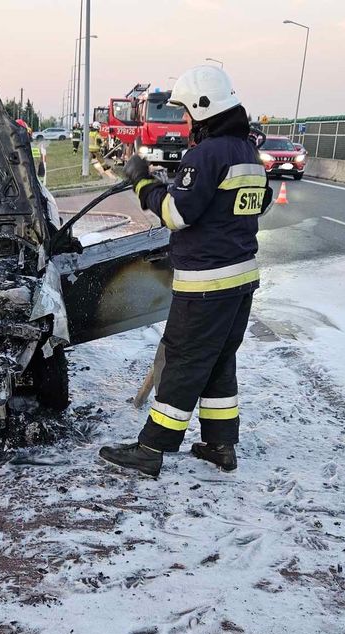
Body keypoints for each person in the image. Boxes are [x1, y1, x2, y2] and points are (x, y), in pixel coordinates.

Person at [98, 65, 272, 477]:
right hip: (241, 282)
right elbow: (253, 204)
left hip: (207, 285)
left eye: (188, 113)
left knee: (182, 362)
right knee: (217, 362)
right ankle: (220, 445)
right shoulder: (246, 152)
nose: (186, 122)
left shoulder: (207, 154)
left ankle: (150, 449)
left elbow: (177, 213)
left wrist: (144, 184)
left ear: (203, 107)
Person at [16, 119, 46, 186]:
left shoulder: (19, 148)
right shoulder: (35, 147)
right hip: (33, 185)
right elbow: (41, 170)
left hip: (26, 185)